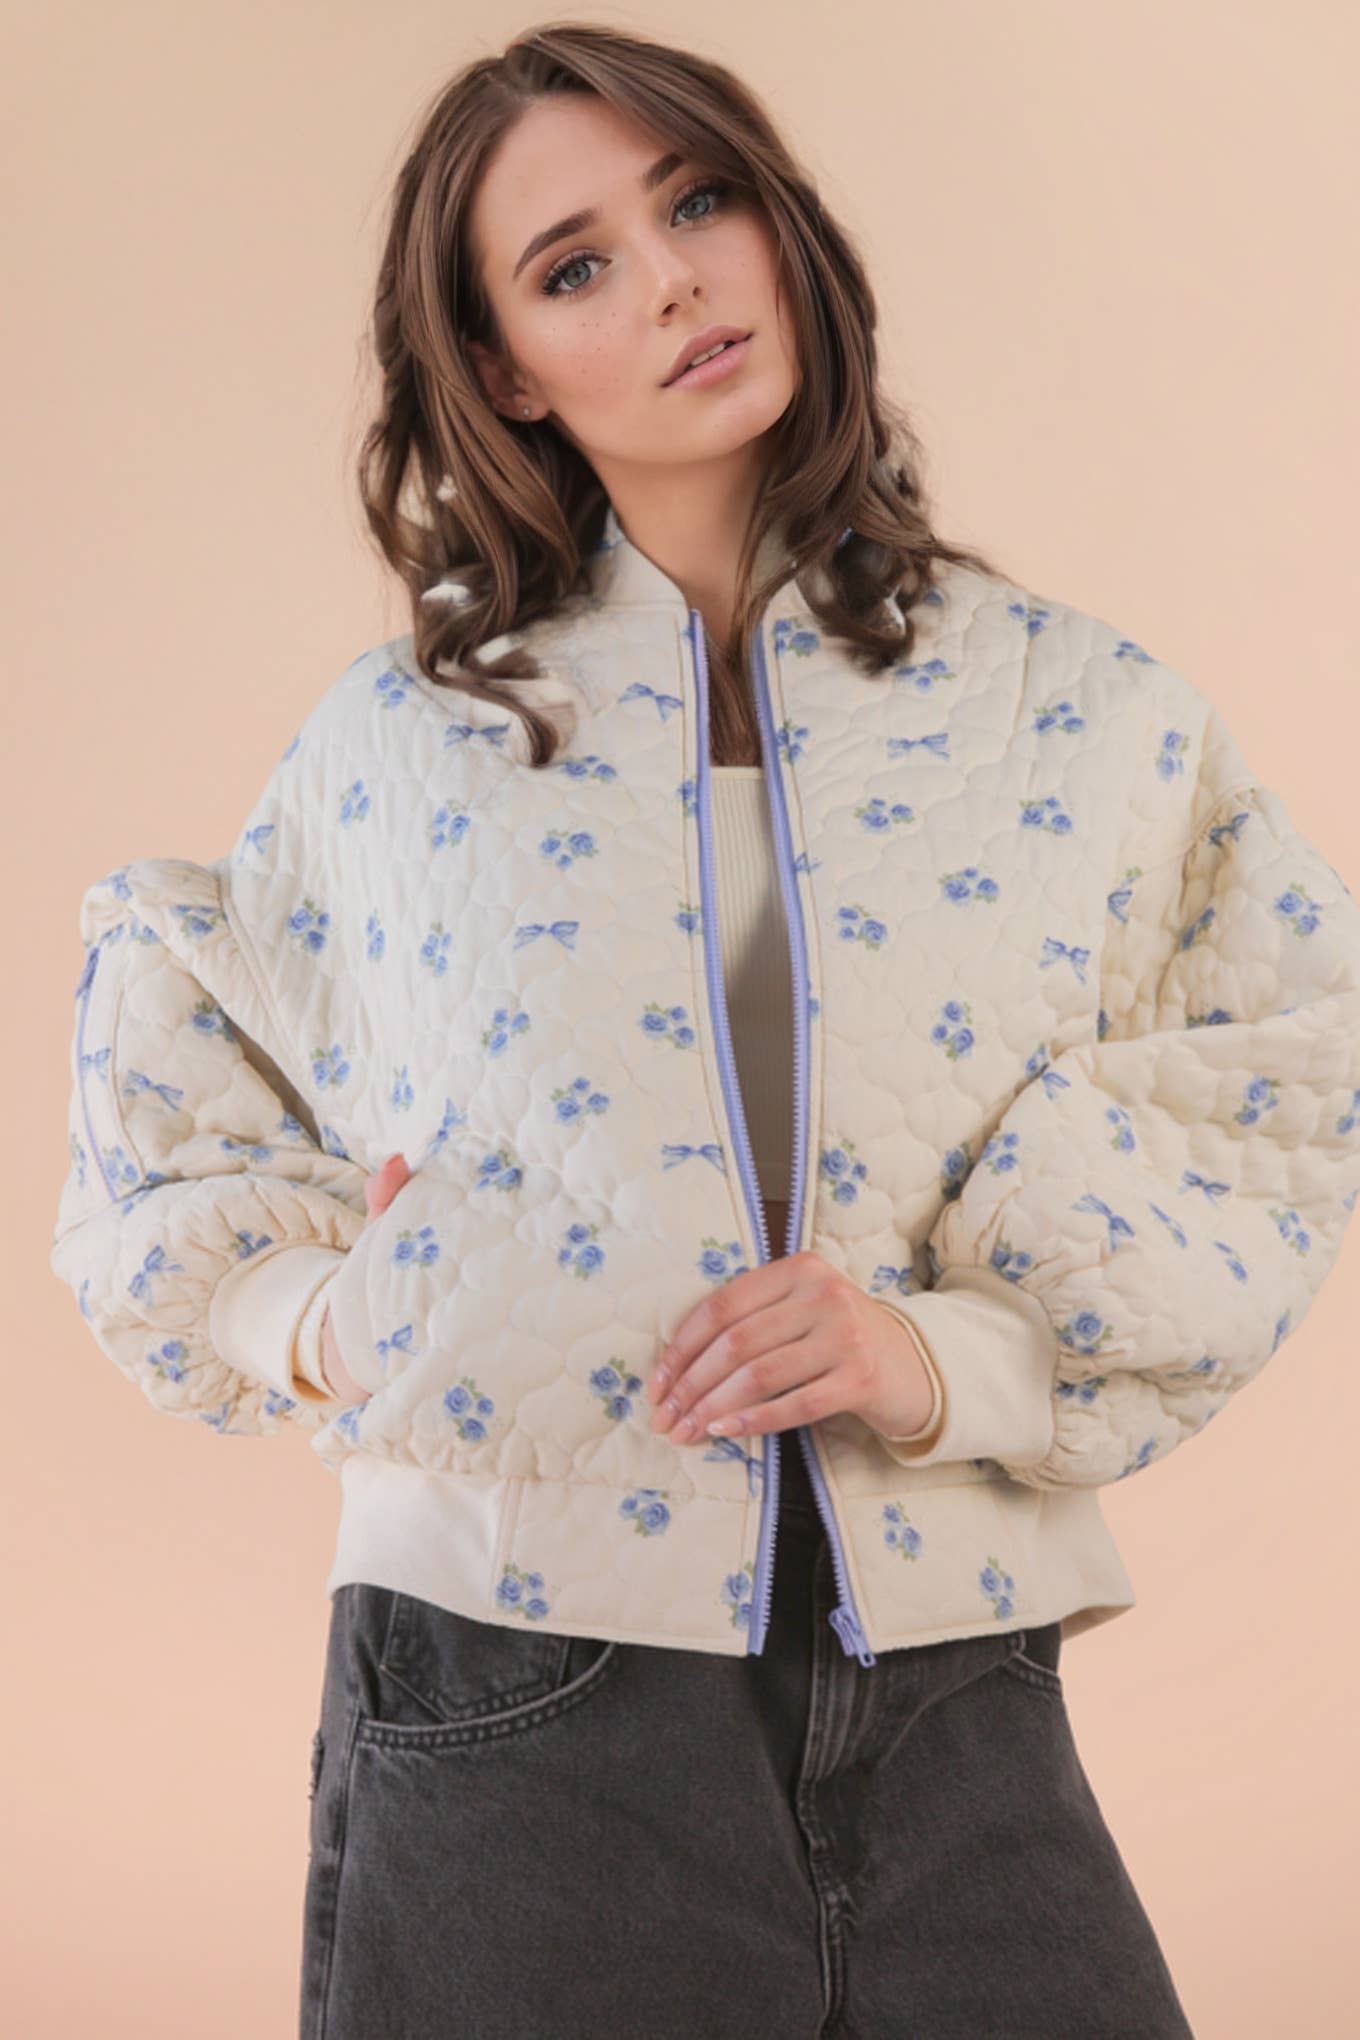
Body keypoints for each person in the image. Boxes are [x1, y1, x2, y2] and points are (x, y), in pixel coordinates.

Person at [49, 23, 1360, 2039]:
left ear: (779, 227)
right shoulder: (404, 745)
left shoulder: (1074, 711)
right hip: (514, 1680)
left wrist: (946, 1354)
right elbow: (174, 1071)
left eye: (699, 201)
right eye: (573, 265)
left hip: (950, 1674)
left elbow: (1279, 1062)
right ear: (504, 368)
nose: (669, 281)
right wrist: (319, 1317)